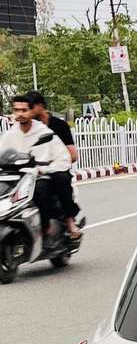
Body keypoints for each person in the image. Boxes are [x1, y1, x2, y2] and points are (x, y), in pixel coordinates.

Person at [0, 96, 80, 240]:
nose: (20, 114)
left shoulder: (44, 133)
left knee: (40, 189)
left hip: (42, 174)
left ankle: (48, 227)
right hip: (18, 176)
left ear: (31, 111)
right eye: (16, 110)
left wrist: (45, 168)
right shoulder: (9, 135)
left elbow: (63, 158)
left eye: (24, 110)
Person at [25, 90, 82, 237]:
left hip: (56, 168)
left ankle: (69, 221)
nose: (28, 112)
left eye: (31, 107)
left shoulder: (59, 125)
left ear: (40, 106)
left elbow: (73, 155)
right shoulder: (28, 128)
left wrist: (51, 161)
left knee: (61, 179)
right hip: (34, 171)